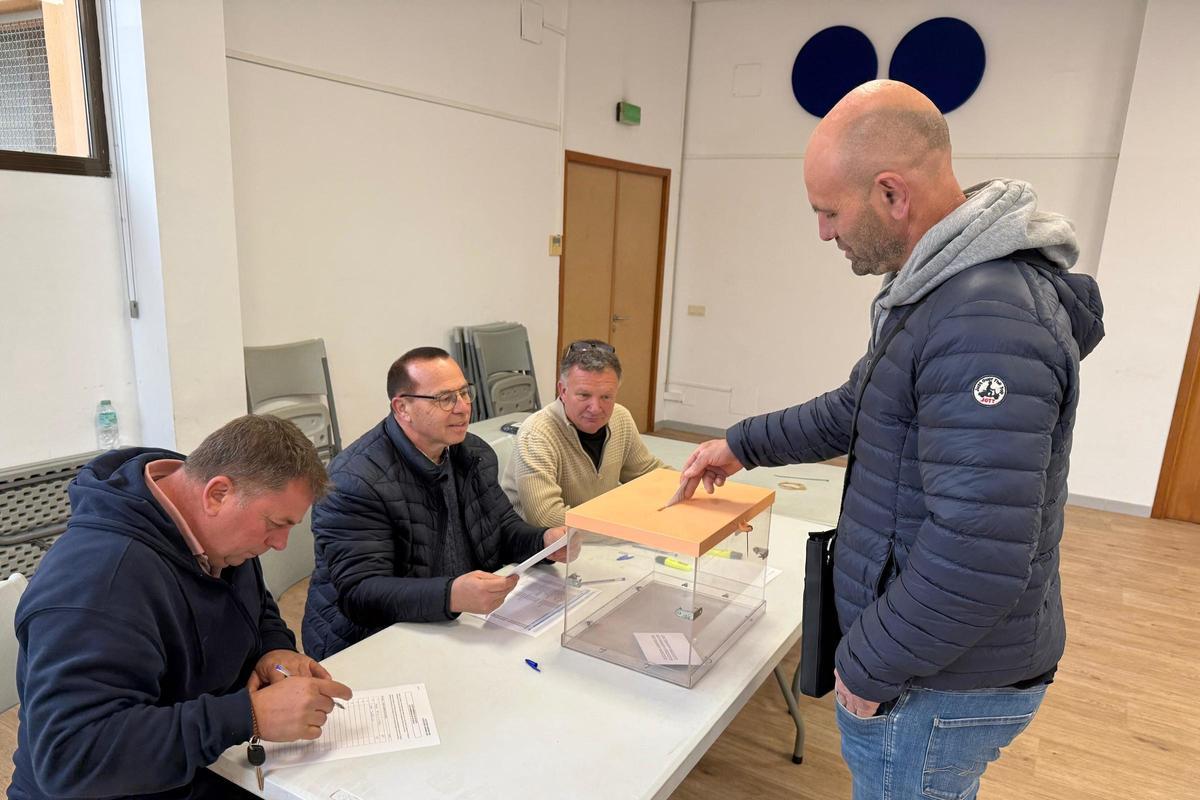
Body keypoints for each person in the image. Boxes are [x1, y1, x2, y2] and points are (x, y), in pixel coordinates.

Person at [676, 80, 1104, 799]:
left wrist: (869, 664)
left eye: (829, 211)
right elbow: (859, 406)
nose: (823, 233)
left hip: (938, 681)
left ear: (891, 194)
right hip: (936, 660)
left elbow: (977, 555)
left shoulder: (982, 322)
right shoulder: (941, 293)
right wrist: (740, 445)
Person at [10, 414, 353, 800]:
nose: (280, 544)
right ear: (217, 494)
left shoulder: (214, 530)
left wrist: (274, 650)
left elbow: (256, 608)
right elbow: (71, 758)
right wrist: (248, 716)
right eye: (276, 524)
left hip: (200, 766)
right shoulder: (99, 584)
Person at [302, 347, 570, 660]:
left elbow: (501, 528)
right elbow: (362, 593)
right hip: (364, 641)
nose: (463, 408)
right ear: (403, 408)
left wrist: (544, 542)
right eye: (445, 398)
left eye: (465, 393)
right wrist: (451, 595)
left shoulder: (472, 453)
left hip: (450, 623)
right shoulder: (354, 480)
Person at [501, 339, 663, 527]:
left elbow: (648, 473)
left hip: (594, 533)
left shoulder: (620, 418)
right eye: (584, 395)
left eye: (606, 397)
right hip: (541, 541)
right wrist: (621, 522)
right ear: (562, 391)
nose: (595, 408)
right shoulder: (537, 434)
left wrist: (689, 481)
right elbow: (546, 518)